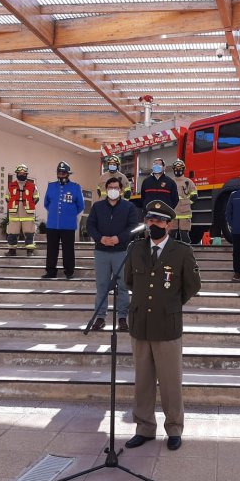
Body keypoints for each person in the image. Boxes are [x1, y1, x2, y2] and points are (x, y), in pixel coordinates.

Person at [123, 200, 201, 452]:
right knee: (143, 381)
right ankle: (144, 428)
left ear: (168, 224)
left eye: (158, 220)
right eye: (150, 219)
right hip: (140, 325)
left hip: (167, 325)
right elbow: (129, 281)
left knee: (170, 382)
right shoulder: (135, 249)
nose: (152, 224)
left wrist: (171, 304)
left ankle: (174, 428)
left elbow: (193, 285)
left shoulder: (182, 251)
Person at [86, 177, 138, 331]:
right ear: (106, 189)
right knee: (102, 286)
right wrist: (100, 238)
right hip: (101, 251)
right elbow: (90, 225)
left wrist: (118, 238)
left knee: (123, 286)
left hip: (121, 252)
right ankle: (100, 318)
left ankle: (122, 318)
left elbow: (133, 226)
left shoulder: (129, 207)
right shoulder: (97, 206)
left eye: (116, 187)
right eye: (110, 188)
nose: (113, 190)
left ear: (121, 190)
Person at [42, 161, 85, 279]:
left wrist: (69, 215)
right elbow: (46, 204)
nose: (61, 175)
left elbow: (81, 206)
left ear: (68, 174)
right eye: (59, 173)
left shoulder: (75, 187)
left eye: (63, 173)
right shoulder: (51, 186)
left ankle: (69, 271)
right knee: (51, 249)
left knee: (68, 250)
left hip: (68, 225)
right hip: (52, 224)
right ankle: (50, 271)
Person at [4, 164, 39, 257]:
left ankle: (30, 251)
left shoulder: (32, 186)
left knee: (29, 232)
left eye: (24, 173)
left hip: (28, 214)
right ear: (17, 174)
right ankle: (12, 251)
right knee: (12, 232)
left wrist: (27, 206)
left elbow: (36, 198)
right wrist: (15, 205)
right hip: (14, 214)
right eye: (20, 173)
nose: (22, 174)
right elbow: (7, 198)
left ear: (27, 174)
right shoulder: (11, 185)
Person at [169, 159, 198, 243]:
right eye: (176, 169)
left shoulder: (188, 182)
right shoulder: (170, 181)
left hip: (184, 213)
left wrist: (187, 203)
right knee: (171, 234)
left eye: (180, 168)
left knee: (184, 234)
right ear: (173, 170)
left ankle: (186, 252)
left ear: (183, 169)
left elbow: (194, 196)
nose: (178, 171)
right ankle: (170, 252)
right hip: (173, 212)